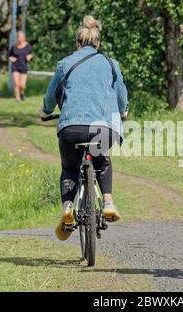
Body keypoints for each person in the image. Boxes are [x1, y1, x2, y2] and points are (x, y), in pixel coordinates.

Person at [38, 15, 128, 241]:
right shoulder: (110, 64)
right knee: (102, 162)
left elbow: (51, 96)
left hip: (71, 128)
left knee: (70, 168)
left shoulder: (65, 63)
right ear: (98, 44)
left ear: (77, 43)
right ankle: (108, 202)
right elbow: (121, 95)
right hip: (102, 130)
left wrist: (46, 111)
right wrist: (123, 111)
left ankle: (68, 209)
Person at [9, 31, 32, 102]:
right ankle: (17, 98)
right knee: (16, 83)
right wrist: (11, 59)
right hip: (15, 66)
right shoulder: (14, 46)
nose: (20, 39)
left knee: (22, 85)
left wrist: (29, 57)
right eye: (18, 37)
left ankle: (22, 93)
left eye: (21, 37)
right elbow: (10, 55)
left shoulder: (27, 46)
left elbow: (30, 54)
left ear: (24, 38)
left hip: (23, 66)